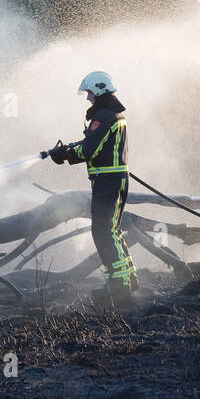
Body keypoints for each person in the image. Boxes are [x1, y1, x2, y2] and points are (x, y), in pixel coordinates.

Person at [45, 71, 138, 304]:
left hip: (108, 183)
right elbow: (93, 142)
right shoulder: (114, 115)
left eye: (89, 93)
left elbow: (89, 150)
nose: (87, 98)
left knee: (103, 232)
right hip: (114, 181)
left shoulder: (104, 116)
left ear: (98, 91)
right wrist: (67, 148)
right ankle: (128, 279)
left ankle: (119, 288)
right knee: (112, 231)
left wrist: (66, 154)